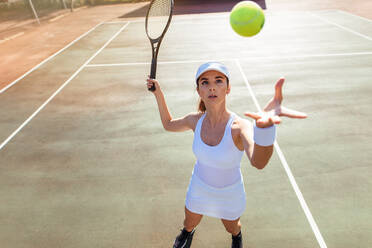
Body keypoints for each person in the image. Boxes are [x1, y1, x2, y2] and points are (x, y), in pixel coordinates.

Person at [146, 62, 307, 248]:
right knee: (189, 222)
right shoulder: (194, 120)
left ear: (228, 88)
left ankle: (237, 236)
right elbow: (168, 124)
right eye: (205, 82)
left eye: (219, 81)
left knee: (231, 227)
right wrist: (158, 92)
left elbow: (259, 162)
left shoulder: (240, 127)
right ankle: (187, 233)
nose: (212, 86)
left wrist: (265, 131)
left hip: (229, 192)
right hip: (199, 186)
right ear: (198, 90)